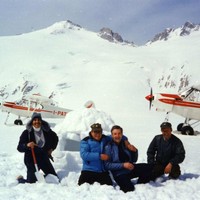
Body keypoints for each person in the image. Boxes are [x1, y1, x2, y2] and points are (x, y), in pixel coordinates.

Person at [104, 125, 153, 193]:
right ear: (112, 135)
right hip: (119, 173)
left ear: (122, 134)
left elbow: (134, 160)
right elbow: (107, 165)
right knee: (129, 188)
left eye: (119, 133)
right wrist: (123, 165)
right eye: (115, 134)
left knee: (149, 167)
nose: (117, 136)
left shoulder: (125, 143)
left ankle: (141, 185)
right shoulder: (108, 147)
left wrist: (134, 151)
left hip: (130, 169)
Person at [17, 112, 59, 183]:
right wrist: (27, 145)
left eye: (39, 120)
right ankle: (20, 179)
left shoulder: (47, 131)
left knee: (54, 178)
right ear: (32, 121)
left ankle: (41, 178)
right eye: (35, 120)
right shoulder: (27, 133)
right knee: (31, 181)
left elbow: (55, 138)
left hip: (43, 157)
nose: (37, 122)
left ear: (41, 121)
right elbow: (19, 147)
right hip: (31, 158)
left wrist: (52, 149)